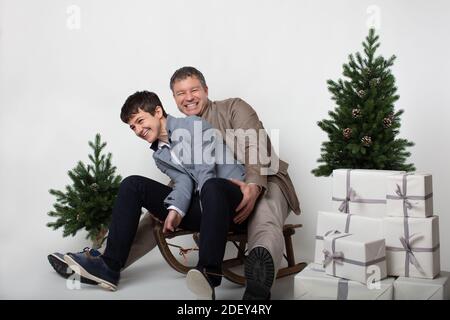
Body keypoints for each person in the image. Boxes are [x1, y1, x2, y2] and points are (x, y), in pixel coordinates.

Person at [48, 67, 301, 300]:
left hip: (259, 179)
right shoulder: (163, 149)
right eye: (181, 93)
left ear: (206, 90)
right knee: (153, 204)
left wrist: (254, 185)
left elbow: (254, 146)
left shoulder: (230, 109)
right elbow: (183, 180)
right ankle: (107, 261)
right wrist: (175, 208)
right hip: (211, 194)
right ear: (173, 99)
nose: (188, 97)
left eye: (194, 90)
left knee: (263, 216)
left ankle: (259, 272)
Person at [61, 91, 248, 298]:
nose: (138, 130)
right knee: (133, 184)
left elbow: (206, 169)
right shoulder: (160, 154)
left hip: (233, 202)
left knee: (211, 185)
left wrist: (198, 210)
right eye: (133, 127)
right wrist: (176, 210)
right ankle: (109, 265)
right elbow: (183, 181)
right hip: (204, 207)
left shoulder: (193, 125)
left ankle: (209, 272)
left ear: (158, 111)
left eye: (140, 121)